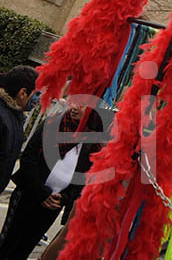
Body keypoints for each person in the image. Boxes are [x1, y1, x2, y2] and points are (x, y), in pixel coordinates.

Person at [0, 104, 107, 260]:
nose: (75, 107)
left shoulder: (90, 142)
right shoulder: (53, 125)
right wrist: (42, 193)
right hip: (29, 195)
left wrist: (64, 198)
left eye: (83, 105)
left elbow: (82, 179)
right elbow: (29, 159)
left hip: (53, 205)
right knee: (9, 244)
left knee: (25, 247)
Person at [0, 65, 38, 194]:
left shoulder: (15, 117)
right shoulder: (3, 118)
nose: (39, 100)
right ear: (23, 93)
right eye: (37, 94)